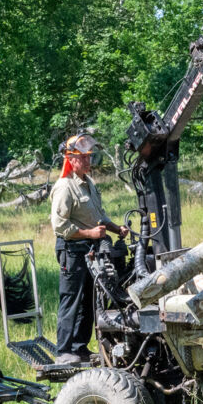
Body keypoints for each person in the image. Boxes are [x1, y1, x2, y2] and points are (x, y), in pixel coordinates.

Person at [50, 133, 128, 365]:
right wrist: (89, 234)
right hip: (72, 251)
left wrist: (115, 228)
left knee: (88, 299)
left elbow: (98, 215)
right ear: (71, 159)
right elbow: (60, 226)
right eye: (83, 158)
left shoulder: (89, 184)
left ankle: (79, 348)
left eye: (89, 157)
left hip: (90, 250)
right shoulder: (65, 187)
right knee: (71, 299)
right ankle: (63, 352)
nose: (88, 161)